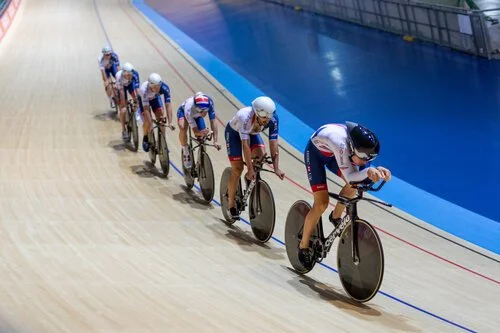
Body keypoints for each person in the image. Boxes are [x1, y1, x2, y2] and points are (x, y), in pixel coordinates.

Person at [298, 121, 392, 269]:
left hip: (334, 155)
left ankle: (335, 216)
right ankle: (303, 245)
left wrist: (377, 171)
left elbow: (360, 173)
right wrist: (367, 172)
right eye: (364, 159)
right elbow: (351, 177)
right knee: (321, 203)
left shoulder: (359, 149)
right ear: (353, 149)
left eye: (370, 160)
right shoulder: (340, 144)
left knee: (355, 185)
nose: (365, 162)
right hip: (316, 154)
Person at [224, 96, 285, 220]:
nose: (266, 120)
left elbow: (273, 143)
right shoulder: (244, 117)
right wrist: (250, 169)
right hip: (234, 134)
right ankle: (231, 206)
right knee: (237, 169)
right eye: (263, 117)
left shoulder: (273, 119)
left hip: (252, 134)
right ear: (256, 113)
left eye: (268, 117)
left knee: (261, 157)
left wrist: (276, 168)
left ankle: (249, 179)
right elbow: (245, 145)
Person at [177, 92, 221, 168]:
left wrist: (215, 141)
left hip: (197, 115)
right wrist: (202, 133)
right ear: (198, 110)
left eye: (206, 111)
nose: (205, 114)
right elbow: (196, 132)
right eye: (203, 112)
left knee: (203, 137)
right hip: (184, 113)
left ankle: (201, 157)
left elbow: (213, 121)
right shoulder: (188, 109)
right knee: (183, 128)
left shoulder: (209, 103)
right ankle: (185, 150)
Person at [137, 73, 175, 152]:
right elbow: (146, 109)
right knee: (147, 122)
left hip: (155, 99)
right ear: (150, 85)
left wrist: (170, 122)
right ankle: (145, 137)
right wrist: (150, 122)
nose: (157, 89)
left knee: (161, 119)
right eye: (154, 87)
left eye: (158, 87)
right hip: (144, 101)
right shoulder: (144, 90)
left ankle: (162, 141)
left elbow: (168, 105)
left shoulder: (164, 88)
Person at [114, 62, 140, 142]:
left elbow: (137, 90)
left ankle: (136, 112)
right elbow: (121, 93)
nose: (129, 76)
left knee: (137, 98)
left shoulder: (135, 74)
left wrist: (137, 101)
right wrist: (123, 104)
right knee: (123, 109)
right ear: (123, 73)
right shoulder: (119, 77)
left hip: (130, 85)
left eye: (130, 75)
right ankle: (123, 130)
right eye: (127, 75)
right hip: (121, 87)